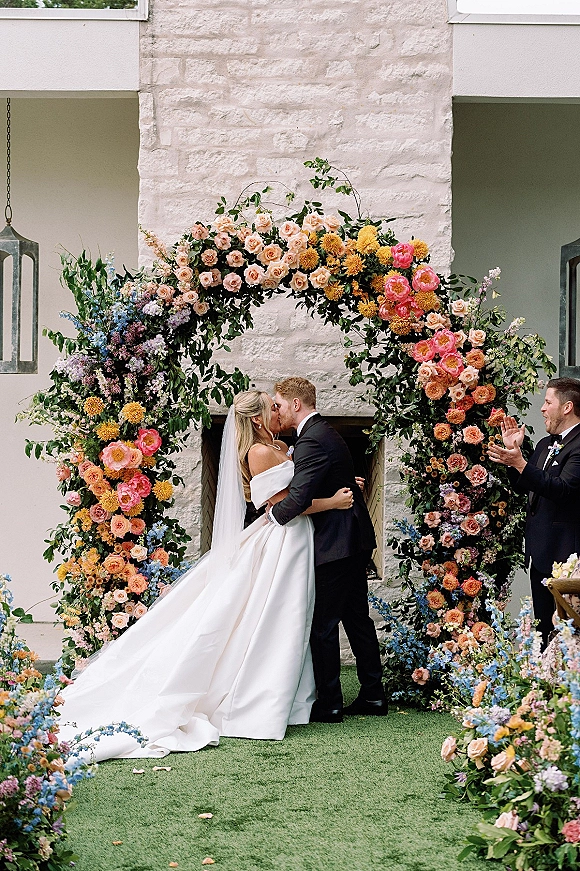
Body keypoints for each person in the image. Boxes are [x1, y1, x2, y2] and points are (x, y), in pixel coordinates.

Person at [57, 390, 354, 760]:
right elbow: (281, 504)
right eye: (271, 407)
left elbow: (303, 481)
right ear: (258, 419)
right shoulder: (259, 452)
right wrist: (333, 502)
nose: (277, 410)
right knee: (278, 612)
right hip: (282, 537)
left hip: (298, 538)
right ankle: (255, 700)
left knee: (291, 614)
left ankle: (293, 695)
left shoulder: (280, 443)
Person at [269, 377, 387, 723]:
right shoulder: (325, 432)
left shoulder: (311, 441)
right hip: (352, 540)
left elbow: (300, 497)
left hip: (336, 544)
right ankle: (373, 695)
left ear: (295, 404)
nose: (276, 410)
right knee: (356, 619)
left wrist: (271, 515)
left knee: (322, 624)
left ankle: (331, 702)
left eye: (278, 404)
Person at [488, 377, 580, 648]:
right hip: (541, 554)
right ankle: (543, 687)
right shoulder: (544, 444)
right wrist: (512, 455)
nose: (542, 408)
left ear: (567, 407)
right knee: (543, 629)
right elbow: (523, 486)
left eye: (548, 401)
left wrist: (521, 464)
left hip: (567, 558)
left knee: (567, 633)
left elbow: (563, 489)